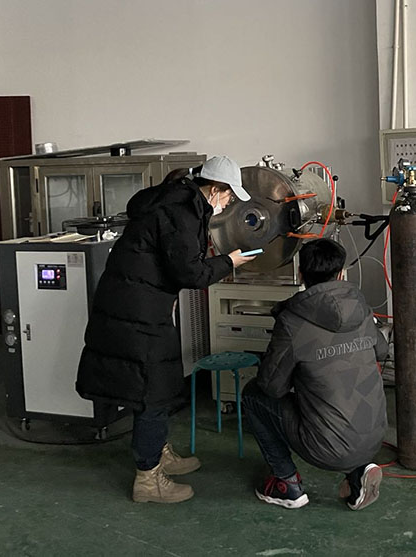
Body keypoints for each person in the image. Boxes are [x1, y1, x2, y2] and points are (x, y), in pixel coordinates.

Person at [76, 155, 257, 504]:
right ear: (215, 189)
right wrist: (230, 262)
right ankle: (148, 479)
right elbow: (190, 273)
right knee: (152, 391)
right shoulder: (181, 213)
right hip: (137, 313)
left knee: (155, 383)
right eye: (229, 196)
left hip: (138, 305)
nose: (229, 203)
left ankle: (158, 451)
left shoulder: (173, 201)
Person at [243, 237, 389, 511]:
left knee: (253, 395)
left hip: (327, 449)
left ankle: (286, 483)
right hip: (375, 437)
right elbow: (381, 351)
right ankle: (357, 473)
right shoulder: (360, 307)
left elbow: (272, 388)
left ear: (300, 274)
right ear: (341, 273)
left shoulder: (292, 321)